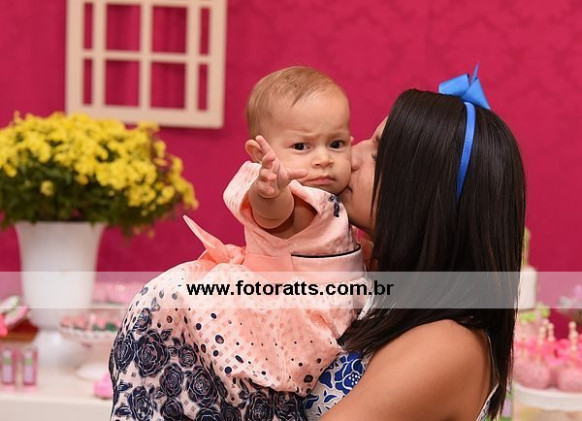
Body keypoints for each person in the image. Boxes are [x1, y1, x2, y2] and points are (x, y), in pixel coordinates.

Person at [109, 66, 365, 420]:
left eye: (336, 144)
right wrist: (269, 192)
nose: (323, 158)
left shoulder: (338, 196)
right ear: (259, 155)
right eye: (301, 146)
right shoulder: (298, 197)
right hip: (288, 317)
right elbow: (275, 215)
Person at [305, 69, 526, 421]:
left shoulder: (446, 344)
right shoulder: (370, 281)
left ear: (428, 199)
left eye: (378, 156)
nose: (349, 158)